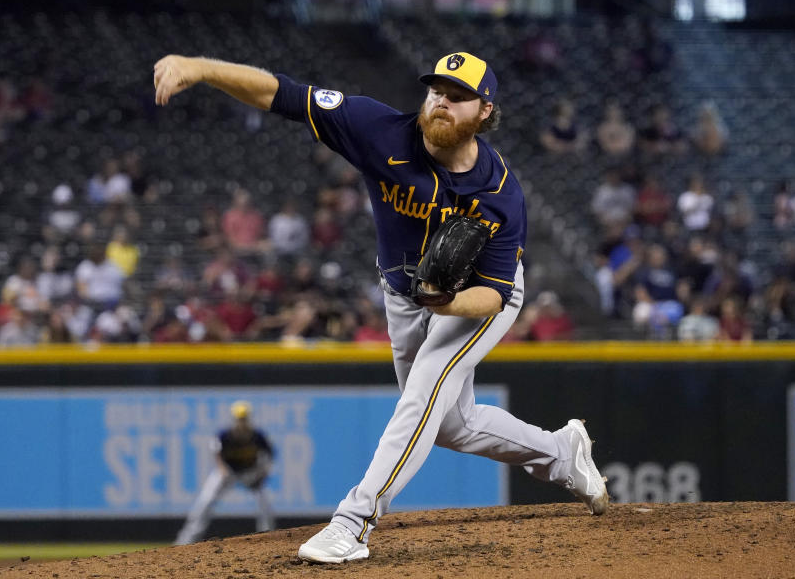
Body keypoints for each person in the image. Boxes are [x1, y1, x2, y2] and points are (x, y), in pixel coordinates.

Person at [153, 49, 609, 564]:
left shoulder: (500, 192)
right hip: (402, 293)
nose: (441, 102)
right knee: (452, 426)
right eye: (436, 90)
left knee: (421, 394)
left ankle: (353, 521)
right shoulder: (377, 128)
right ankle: (559, 453)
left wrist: (447, 301)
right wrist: (200, 68)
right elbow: (279, 93)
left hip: (475, 296)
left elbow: (497, 293)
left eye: (457, 97)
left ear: (485, 112)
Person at [174, 401, 275, 545]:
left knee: (264, 505)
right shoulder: (225, 435)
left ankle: (269, 538)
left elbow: (269, 456)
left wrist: (262, 473)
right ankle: (185, 541)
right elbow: (217, 453)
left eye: (244, 418)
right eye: (239, 419)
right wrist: (223, 470)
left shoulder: (257, 436)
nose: (242, 422)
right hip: (227, 472)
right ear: (234, 419)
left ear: (249, 419)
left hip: (249, 473)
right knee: (205, 501)